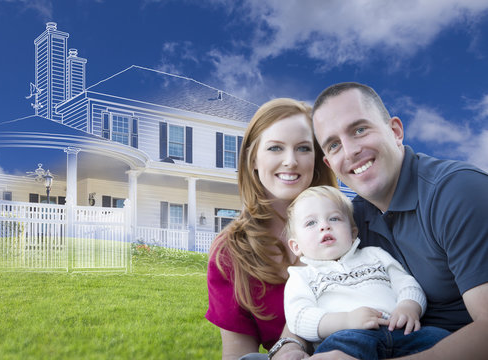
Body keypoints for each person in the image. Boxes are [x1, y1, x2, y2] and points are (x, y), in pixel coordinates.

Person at [310, 82, 488, 359]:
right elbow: (312, 284)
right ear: (330, 164)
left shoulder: (458, 191)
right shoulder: (352, 220)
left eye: (359, 130)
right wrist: (289, 347)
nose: (350, 151)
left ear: (395, 131)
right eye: (334, 145)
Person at [205, 98, 337, 360]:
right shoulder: (230, 253)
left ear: (317, 159)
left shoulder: (345, 224)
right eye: (276, 148)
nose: (290, 161)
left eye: (303, 148)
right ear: (252, 159)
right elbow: (239, 355)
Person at [283, 185, 449, 359]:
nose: (324, 226)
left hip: (399, 329)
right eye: (311, 223)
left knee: (439, 338)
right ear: (296, 246)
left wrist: (409, 306)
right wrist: (346, 320)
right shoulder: (301, 276)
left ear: (353, 232)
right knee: (333, 352)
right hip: (348, 336)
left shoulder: (375, 254)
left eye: (334, 219)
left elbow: (406, 283)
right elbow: (299, 317)